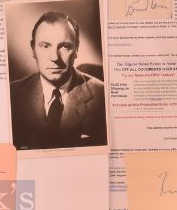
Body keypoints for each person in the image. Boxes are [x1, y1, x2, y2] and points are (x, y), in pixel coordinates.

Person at [10, 11, 107, 150]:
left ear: (76, 49)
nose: (55, 57)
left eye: (65, 46)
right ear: (33, 50)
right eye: (45, 46)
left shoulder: (103, 96)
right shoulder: (12, 95)